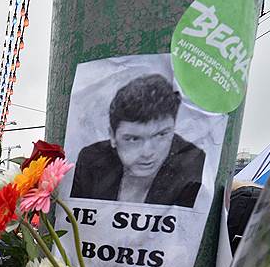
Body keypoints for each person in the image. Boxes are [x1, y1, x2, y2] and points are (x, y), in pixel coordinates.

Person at [70, 73, 205, 208]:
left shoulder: (194, 166)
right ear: (112, 136)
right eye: (133, 139)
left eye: (161, 135)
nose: (147, 153)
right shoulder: (91, 160)